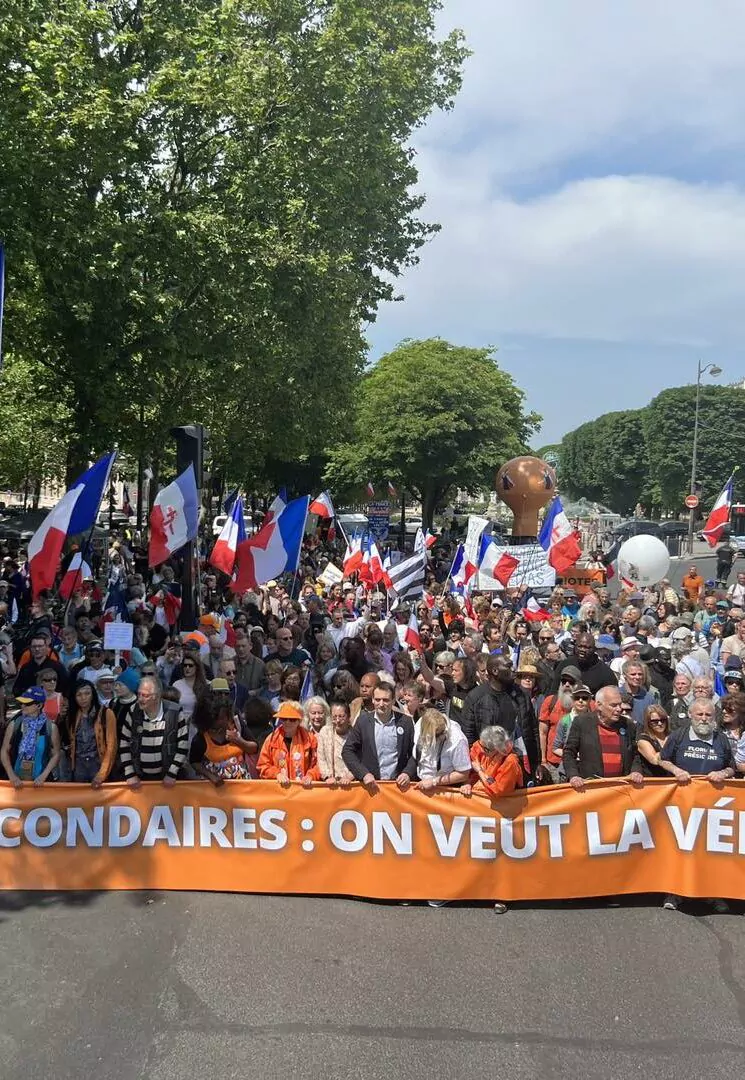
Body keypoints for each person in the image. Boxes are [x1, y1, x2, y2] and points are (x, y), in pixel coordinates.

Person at [659, 698, 735, 912]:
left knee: (711, 851)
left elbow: (731, 767)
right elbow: (662, 759)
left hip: (713, 807)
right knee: (679, 848)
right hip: (681, 804)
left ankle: (713, 894)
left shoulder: (721, 739)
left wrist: (722, 773)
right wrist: (676, 771)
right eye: (699, 714)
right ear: (691, 715)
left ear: (714, 717)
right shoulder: (678, 736)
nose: (704, 718)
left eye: (708, 715)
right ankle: (674, 893)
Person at [467, 725, 523, 915]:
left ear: (496, 749)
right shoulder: (482, 746)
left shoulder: (510, 762)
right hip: (481, 812)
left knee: (502, 857)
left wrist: (480, 772)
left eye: (485, 749)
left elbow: (498, 790)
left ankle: (502, 896)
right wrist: (469, 782)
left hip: (504, 814)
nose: (480, 750)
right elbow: (471, 759)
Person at [459, 654, 539, 775]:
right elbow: (468, 737)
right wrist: (476, 770)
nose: (513, 669)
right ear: (495, 671)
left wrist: (536, 763)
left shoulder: (521, 695)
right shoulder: (475, 697)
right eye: (508, 666)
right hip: (489, 769)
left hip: (520, 766)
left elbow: (532, 730)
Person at [341, 681, 417, 792]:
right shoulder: (363, 721)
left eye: (386, 700)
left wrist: (407, 773)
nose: (381, 704)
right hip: (370, 787)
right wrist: (363, 774)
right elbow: (347, 751)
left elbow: (416, 753)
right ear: (372, 700)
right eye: (377, 700)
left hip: (397, 788)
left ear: (393, 701)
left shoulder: (406, 722)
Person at [563, 685, 641, 790]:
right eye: (613, 705)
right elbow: (569, 752)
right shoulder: (582, 722)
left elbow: (635, 754)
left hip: (622, 787)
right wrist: (573, 775)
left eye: (619, 704)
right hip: (592, 788)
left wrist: (636, 771)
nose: (619, 709)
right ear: (599, 705)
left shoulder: (628, 724)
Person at [119, 674, 189, 786]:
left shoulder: (175, 712)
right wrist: (130, 773)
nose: (140, 699)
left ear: (157, 696)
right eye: (139, 694)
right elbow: (124, 744)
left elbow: (183, 745)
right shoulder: (133, 711)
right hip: (139, 777)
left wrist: (172, 773)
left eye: (145, 695)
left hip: (168, 777)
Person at [1, 686, 61, 787]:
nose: (23, 706)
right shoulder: (14, 724)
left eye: (27, 703)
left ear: (39, 706)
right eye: (22, 702)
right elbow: (4, 750)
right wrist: (11, 775)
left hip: (40, 784)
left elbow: (56, 754)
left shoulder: (50, 727)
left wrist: (43, 776)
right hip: (16, 782)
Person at [189, 690, 253, 785]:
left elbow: (254, 749)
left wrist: (238, 740)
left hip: (242, 787)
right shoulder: (200, 739)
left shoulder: (237, 725)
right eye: (220, 718)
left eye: (226, 716)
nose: (225, 720)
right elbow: (194, 762)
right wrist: (210, 776)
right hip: (214, 791)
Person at [66, 679, 118, 786]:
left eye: (87, 693)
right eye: (79, 695)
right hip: (79, 765)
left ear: (93, 694)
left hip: (98, 763)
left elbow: (111, 746)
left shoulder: (106, 713)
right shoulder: (72, 715)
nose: (83, 698)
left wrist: (102, 774)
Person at [257, 701, 319, 786]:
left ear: (299, 721)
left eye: (292, 719)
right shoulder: (271, 739)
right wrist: (277, 774)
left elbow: (319, 764)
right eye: (284, 719)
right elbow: (262, 765)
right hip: (279, 791)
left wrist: (311, 775)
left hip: (303, 791)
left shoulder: (310, 739)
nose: (287, 722)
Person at [413, 707, 470, 791]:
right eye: (436, 735)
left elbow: (464, 774)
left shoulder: (457, 739)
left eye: (442, 732)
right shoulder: (420, 724)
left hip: (444, 788)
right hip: (420, 782)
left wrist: (434, 781)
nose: (441, 736)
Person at [317, 698, 356, 786]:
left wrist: (350, 776)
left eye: (341, 717)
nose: (337, 721)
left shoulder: (355, 734)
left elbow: (360, 759)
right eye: (334, 717)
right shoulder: (325, 731)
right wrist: (327, 776)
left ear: (349, 716)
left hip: (351, 782)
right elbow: (321, 757)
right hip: (330, 782)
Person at [172, 653, 209, 738]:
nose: (187, 668)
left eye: (190, 665)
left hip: (199, 727)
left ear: (197, 667)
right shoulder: (176, 685)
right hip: (180, 726)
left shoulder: (206, 685)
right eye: (185, 665)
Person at [633, 704, 671, 777]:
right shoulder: (643, 739)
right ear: (648, 723)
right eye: (655, 721)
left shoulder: (673, 736)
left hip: (673, 781)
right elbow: (654, 759)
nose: (660, 723)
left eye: (663, 720)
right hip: (653, 783)